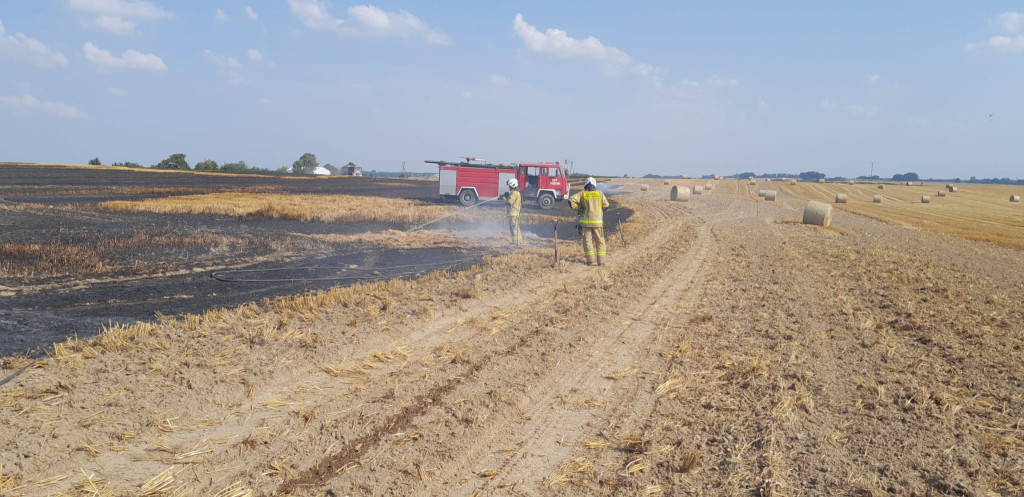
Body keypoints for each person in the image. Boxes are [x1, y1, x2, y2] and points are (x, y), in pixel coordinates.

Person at [568, 177, 610, 266]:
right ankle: (601, 262)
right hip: (598, 223)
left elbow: (571, 200)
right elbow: (606, 206)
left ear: (586, 185)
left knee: (587, 241)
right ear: (594, 185)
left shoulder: (582, 194)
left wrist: (578, 208)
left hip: (585, 223)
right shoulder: (600, 194)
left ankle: (590, 261)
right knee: (600, 241)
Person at [504, 178, 522, 248]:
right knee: (516, 227)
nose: (509, 187)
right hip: (515, 213)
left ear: (513, 185)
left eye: (510, 186)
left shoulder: (514, 193)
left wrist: (504, 198)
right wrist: (507, 194)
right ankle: (519, 241)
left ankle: (516, 242)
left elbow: (509, 203)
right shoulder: (516, 192)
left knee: (514, 228)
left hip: (513, 213)